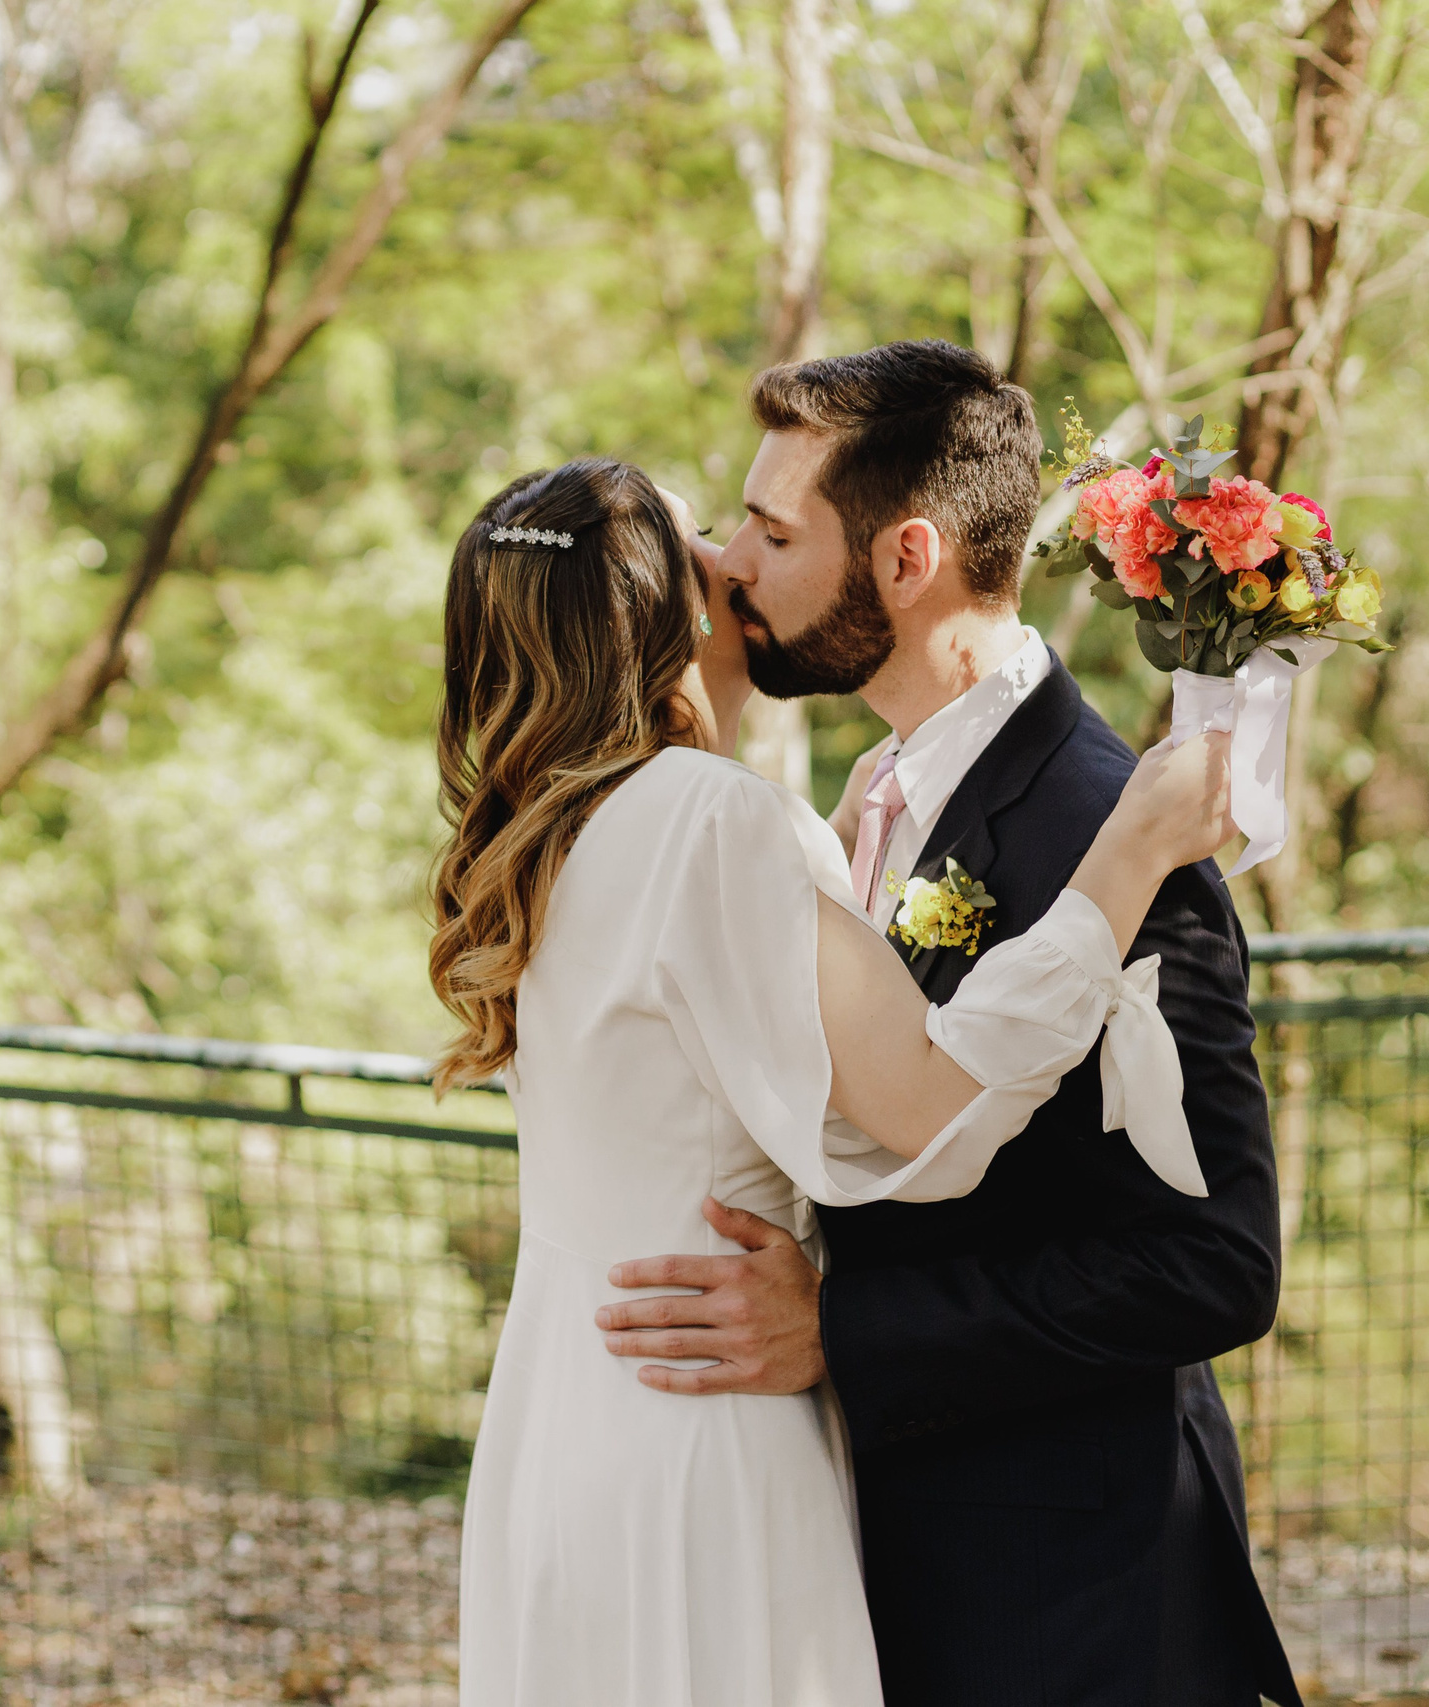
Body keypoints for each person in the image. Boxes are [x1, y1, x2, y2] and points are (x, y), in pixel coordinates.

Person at [434, 451, 1235, 1705]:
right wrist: (1125, 858)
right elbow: (926, 1107)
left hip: (564, 1421)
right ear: (669, 608)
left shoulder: (548, 828)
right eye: (708, 535)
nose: (737, 557)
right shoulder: (705, 817)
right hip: (701, 1430)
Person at [593, 341, 1303, 1706]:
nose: (731, 561)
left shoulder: (1115, 828)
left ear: (904, 558)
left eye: (774, 528)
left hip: (1065, 1599)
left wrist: (846, 1328)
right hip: (878, 1561)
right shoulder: (870, 789)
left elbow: (1216, 1262)